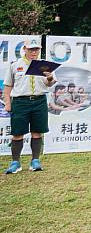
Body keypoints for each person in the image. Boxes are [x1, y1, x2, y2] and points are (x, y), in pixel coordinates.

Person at [3, 38, 56, 174]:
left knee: (37, 131)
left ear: (39, 50)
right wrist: (8, 103)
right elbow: (8, 85)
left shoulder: (45, 65)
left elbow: (49, 83)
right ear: (25, 49)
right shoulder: (15, 65)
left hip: (39, 101)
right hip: (20, 102)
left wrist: (49, 76)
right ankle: (16, 163)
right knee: (17, 133)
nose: (34, 52)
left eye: (36, 49)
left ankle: (35, 161)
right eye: (31, 49)